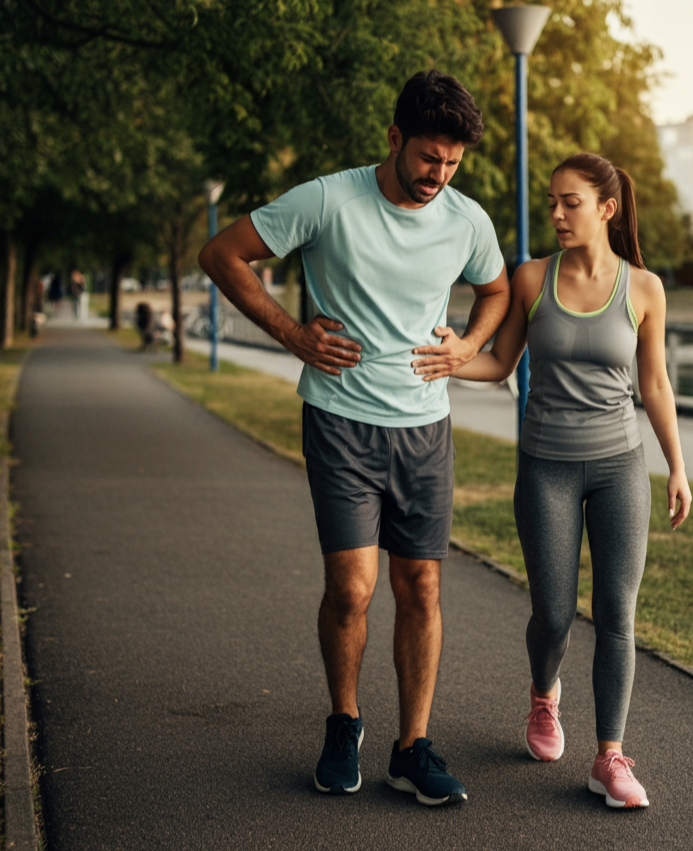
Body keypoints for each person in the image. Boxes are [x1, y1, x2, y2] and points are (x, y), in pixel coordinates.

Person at [198, 70, 508, 807]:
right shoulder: (327, 198)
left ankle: (412, 748)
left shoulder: (467, 219)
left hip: (425, 428)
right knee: (352, 589)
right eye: (430, 157)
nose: (440, 175)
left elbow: (496, 290)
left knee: (422, 585)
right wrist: (293, 334)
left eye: (453, 163)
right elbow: (221, 255)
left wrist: (467, 347)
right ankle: (344, 724)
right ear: (395, 138)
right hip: (340, 422)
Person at [430, 153, 691, 809]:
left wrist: (678, 467)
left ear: (607, 208)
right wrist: (452, 358)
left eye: (569, 201)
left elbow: (654, 384)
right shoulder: (530, 278)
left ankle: (610, 755)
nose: (555, 213)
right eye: (551, 201)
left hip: (619, 467)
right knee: (552, 611)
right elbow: (498, 364)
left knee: (616, 614)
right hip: (545, 466)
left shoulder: (644, 289)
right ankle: (544, 695)